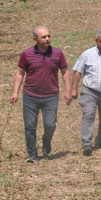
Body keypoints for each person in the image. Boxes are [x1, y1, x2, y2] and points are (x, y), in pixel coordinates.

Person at [11, 26, 72, 163]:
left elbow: (65, 72)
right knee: (30, 126)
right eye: (43, 37)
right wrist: (15, 92)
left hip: (51, 96)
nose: (47, 39)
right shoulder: (27, 54)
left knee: (50, 124)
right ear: (35, 39)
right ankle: (32, 154)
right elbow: (20, 73)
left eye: (49, 36)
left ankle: (46, 141)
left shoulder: (57, 53)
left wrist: (68, 91)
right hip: (30, 95)